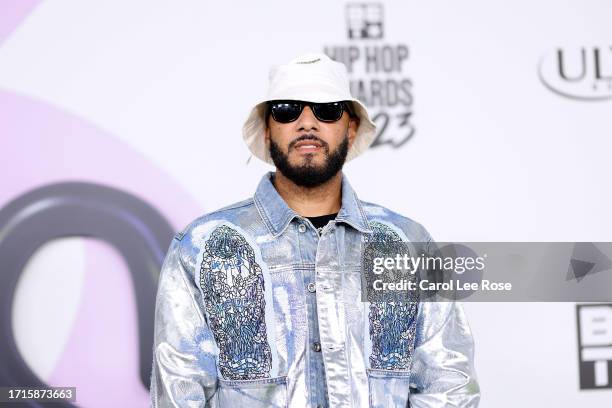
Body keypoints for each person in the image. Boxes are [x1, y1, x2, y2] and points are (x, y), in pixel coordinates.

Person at [150, 53, 480, 407]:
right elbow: (178, 392)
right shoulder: (202, 247)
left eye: (327, 109)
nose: (307, 122)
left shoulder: (409, 245)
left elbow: (449, 386)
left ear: (350, 128)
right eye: (287, 109)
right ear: (267, 128)